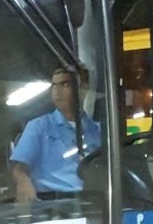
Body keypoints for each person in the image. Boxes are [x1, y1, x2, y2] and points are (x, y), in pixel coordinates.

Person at [10, 68, 102, 201]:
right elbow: (18, 168)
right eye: (54, 85)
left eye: (65, 84)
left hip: (93, 204)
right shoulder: (39, 127)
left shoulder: (97, 130)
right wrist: (23, 181)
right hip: (53, 206)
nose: (57, 92)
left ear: (83, 88)